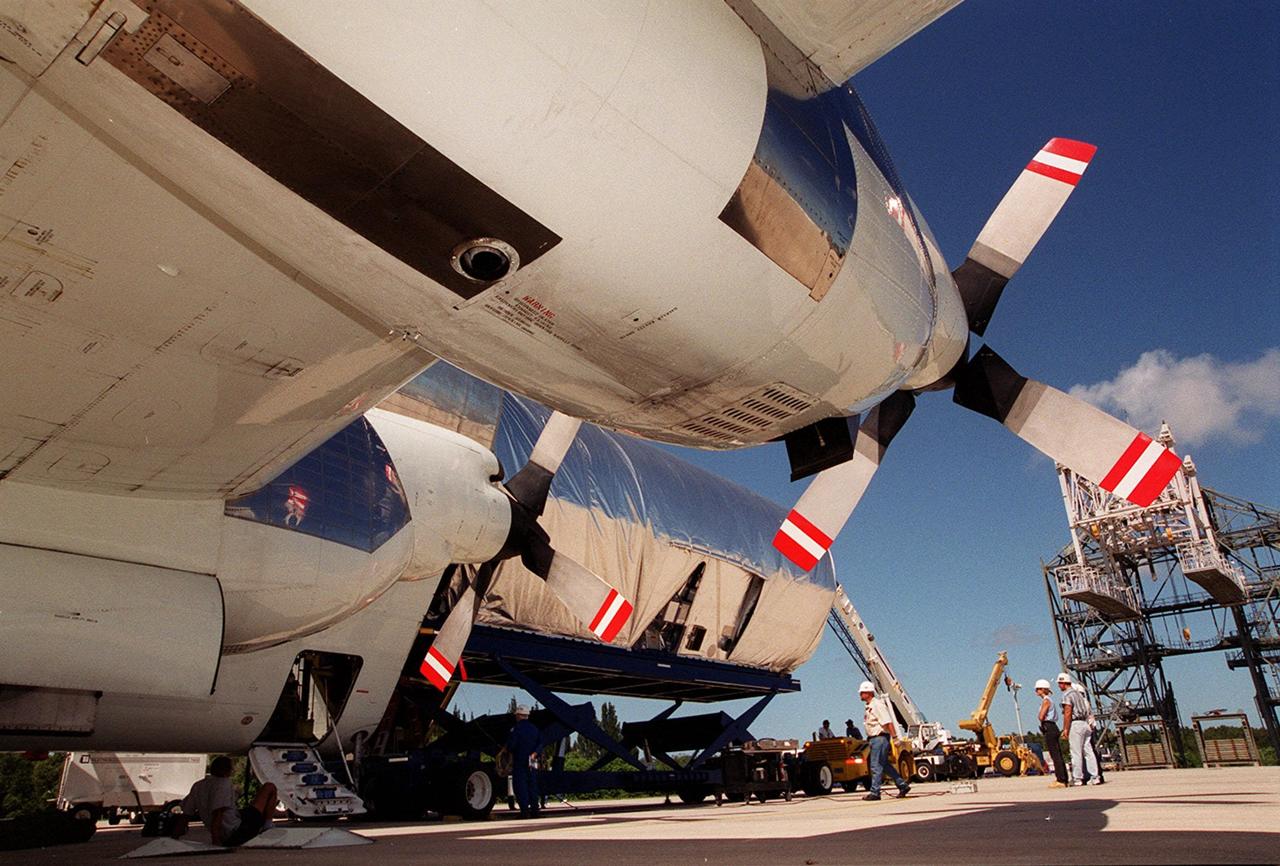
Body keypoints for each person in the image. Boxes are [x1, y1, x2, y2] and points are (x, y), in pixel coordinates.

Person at [173, 756, 277, 847]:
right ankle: (267, 825)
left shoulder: (198, 786)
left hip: (230, 828)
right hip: (236, 832)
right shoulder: (223, 784)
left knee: (245, 811)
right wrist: (216, 840)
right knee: (269, 787)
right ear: (227, 770)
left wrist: (175, 837)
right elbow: (218, 813)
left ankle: (265, 824)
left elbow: (186, 814)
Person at [858, 681, 909, 801]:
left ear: (869, 693)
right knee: (884, 764)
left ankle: (875, 792)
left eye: (862, 692)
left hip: (879, 738)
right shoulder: (870, 706)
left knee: (875, 766)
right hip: (874, 739)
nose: (860, 694)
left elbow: (887, 722)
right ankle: (902, 785)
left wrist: (895, 737)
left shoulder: (877, 705)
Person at [1058, 674, 1101, 786]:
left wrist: (1065, 729)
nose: (1059, 686)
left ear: (1063, 683)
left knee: (1076, 752)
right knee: (1088, 751)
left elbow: (1068, 712)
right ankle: (1095, 777)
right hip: (1085, 723)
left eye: (1059, 683)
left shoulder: (1067, 695)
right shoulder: (1078, 694)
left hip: (1075, 723)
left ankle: (1077, 778)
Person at [506, 705, 542, 818]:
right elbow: (541, 743)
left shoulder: (516, 729)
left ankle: (524, 812)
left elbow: (512, 745)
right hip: (532, 761)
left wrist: (507, 749)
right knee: (532, 785)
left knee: (521, 786)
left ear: (519, 715)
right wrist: (534, 754)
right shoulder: (535, 729)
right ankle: (535, 811)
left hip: (520, 761)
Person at [1035, 678, 1069, 788]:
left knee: (1055, 754)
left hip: (1048, 726)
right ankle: (1064, 778)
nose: (1036, 691)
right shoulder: (1050, 700)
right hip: (1053, 727)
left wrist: (1040, 717)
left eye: (1037, 689)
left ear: (1042, 690)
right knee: (1057, 753)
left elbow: (1041, 716)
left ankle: (1061, 779)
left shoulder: (1046, 701)